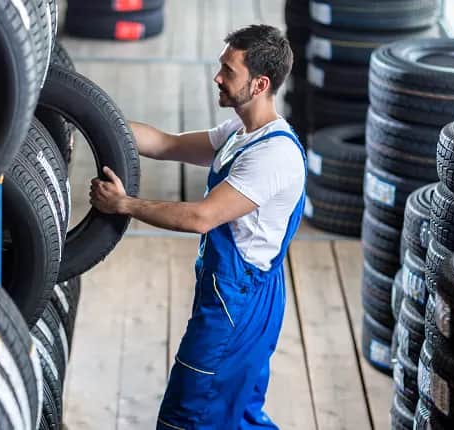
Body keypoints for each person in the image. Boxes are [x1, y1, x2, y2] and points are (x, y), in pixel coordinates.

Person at [89, 24, 304, 429]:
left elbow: (201, 216)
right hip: (230, 294)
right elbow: (165, 144)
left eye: (229, 71)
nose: (217, 77)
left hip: (239, 305)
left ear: (259, 84)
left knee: (188, 416)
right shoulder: (239, 134)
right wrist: (89, 117)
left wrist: (124, 205)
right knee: (235, 413)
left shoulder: (274, 154)